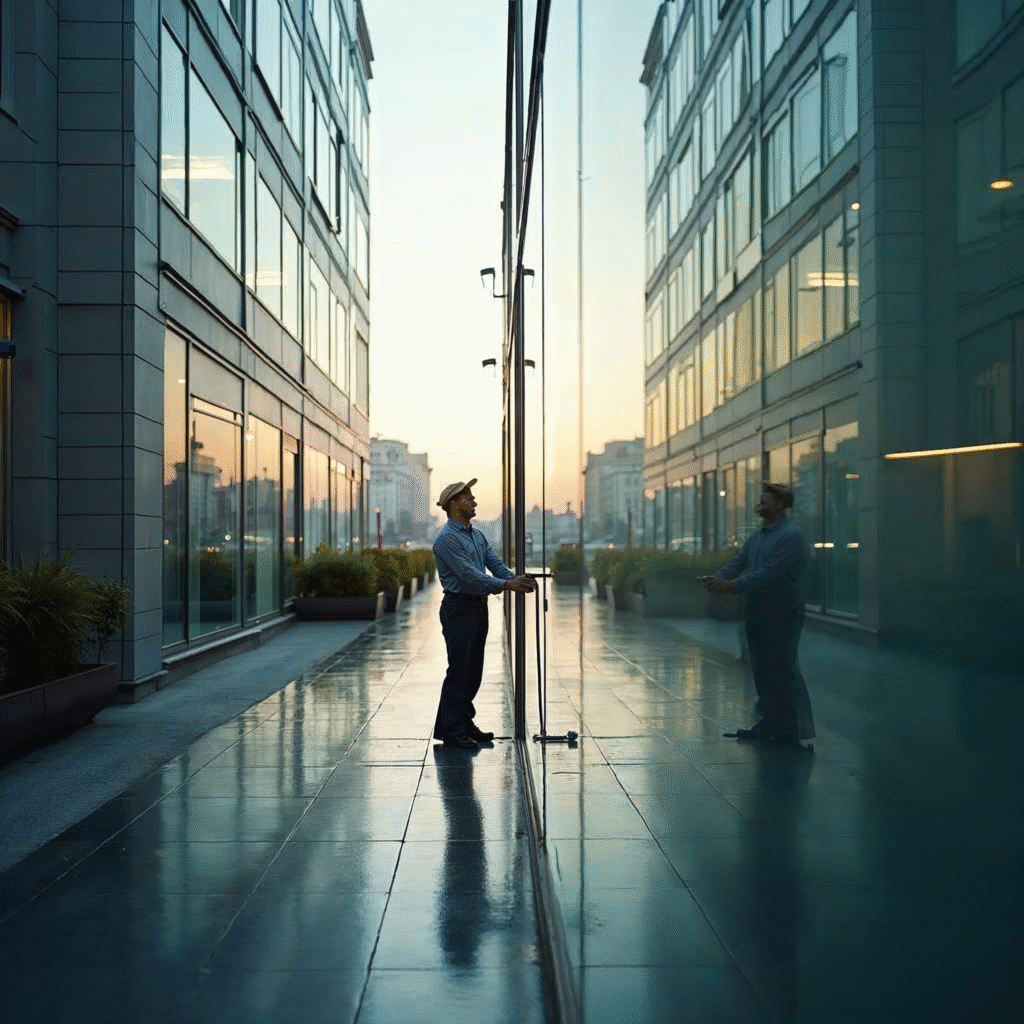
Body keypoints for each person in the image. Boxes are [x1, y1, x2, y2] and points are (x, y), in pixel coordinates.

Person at [697, 482, 815, 746]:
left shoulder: (790, 536)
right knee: (762, 669)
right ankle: (769, 723)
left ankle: (789, 729)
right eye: (760, 501)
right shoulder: (759, 536)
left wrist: (732, 586)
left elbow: (771, 573)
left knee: (782, 669)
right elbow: (739, 561)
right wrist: (716, 578)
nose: (759, 506)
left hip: (783, 612)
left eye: (765, 502)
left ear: (780, 506)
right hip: (758, 610)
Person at [431, 479, 536, 749]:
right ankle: (451, 729)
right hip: (458, 607)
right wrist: (506, 585)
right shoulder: (446, 539)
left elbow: (495, 564)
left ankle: (464, 723)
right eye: (468, 499)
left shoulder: (477, 535)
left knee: (473, 670)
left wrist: (515, 580)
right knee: (459, 669)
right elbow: (469, 575)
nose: (474, 502)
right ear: (454, 505)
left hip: (477, 606)